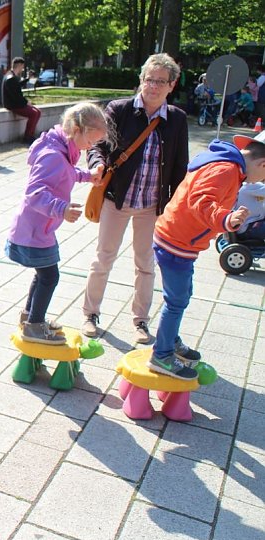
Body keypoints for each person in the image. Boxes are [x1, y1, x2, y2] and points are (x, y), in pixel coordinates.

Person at [81, 53, 189, 344]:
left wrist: (176, 208)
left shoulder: (177, 119)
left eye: (160, 82)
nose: (153, 86)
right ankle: (90, 313)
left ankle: (140, 320)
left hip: (152, 206)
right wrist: (96, 164)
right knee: (103, 258)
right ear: (141, 80)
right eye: (149, 79)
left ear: (171, 85)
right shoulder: (120, 109)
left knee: (145, 264)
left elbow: (180, 166)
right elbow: (99, 145)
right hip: (117, 198)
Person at [149, 132, 265, 379]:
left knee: (181, 296)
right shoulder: (226, 170)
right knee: (177, 300)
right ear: (263, 164)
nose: (258, 181)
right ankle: (162, 355)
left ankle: (170, 338)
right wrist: (226, 219)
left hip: (180, 239)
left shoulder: (229, 166)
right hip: (176, 242)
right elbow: (201, 201)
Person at [6, 103, 109, 344]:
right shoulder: (53, 155)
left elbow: (67, 172)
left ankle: (30, 317)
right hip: (33, 232)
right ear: (76, 129)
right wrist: (61, 209)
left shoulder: (60, 149)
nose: (90, 148)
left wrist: (87, 176)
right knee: (50, 276)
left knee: (44, 273)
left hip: (37, 230)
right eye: (90, 142)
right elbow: (34, 192)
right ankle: (34, 325)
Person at [2, 56, 42, 144]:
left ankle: (30, 135)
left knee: (38, 112)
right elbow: (16, 96)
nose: (23, 69)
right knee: (34, 113)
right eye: (22, 67)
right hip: (13, 105)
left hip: (15, 103)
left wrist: (27, 79)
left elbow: (16, 86)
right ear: (19, 66)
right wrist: (27, 103)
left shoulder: (10, 76)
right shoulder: (11, 78)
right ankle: (27, 137)